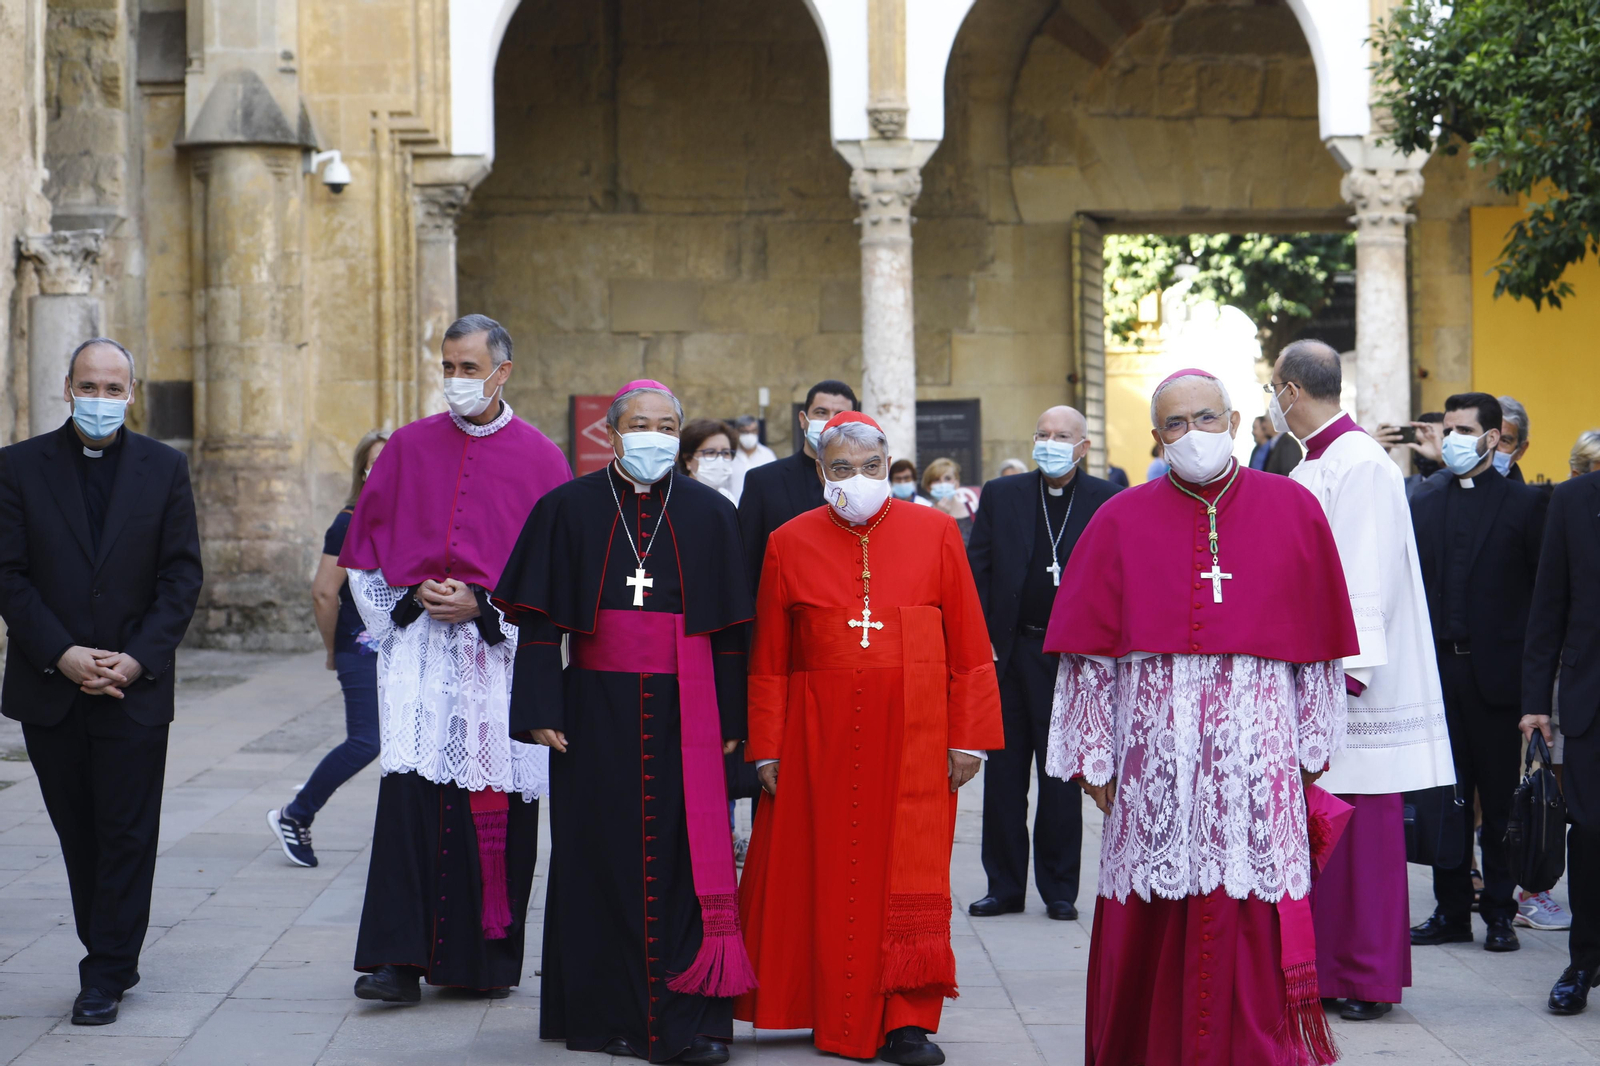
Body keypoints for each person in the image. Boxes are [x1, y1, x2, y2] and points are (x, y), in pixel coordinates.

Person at [1045, 368, 1356, 1066]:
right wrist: (1095, 758)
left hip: (1257, 760)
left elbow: (1319, 652)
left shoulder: (1293, 508)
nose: (1193, 435)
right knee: (1152, 919)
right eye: (1176, 425)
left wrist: (1308, 746)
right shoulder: (1119, 517)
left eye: (1206, 419)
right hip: (1155, 770)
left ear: (1237, 421)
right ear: (1157, 437)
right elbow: (1088, 657)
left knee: (1251, 923)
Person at [494, 380, 752, 1065]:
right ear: (610, 432)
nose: (655, 435)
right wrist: (541, 707)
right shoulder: (566, 508)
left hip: (688, 708)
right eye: (641, 423)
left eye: (668, 425)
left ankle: (689, 1017)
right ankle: (603, 1012)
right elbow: (542, 621)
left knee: (683, 855)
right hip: (593, 708)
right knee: (595, 853)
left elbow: (730, 631)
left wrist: (733, 715)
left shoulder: (709, 513)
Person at [736, 411, 1003, 1066]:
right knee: (823, 874)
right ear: (821, 471)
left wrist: (968, 737)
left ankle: (906, 1019)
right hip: (816, 738)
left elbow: (969, 645)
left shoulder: (937, 532)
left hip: (913, 736)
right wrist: (766, 746)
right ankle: (819, 1004)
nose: (859, 479)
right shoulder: (787, 541)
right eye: (843, 468)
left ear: (889, 467)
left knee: (906, 878)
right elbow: (769, 655)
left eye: (871, 467)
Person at [338, 314, 570, 1002]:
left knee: (489, 800)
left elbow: (556, 574)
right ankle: (395, 961)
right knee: (412, 796)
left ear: (502, 372)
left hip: (500, 662)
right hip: (424, 656)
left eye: (469, 368)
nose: (456, 381)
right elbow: (365, 557)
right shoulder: (408, 448)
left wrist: (486, 606)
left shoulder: (541, 459)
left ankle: (481, 961)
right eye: (448, 367)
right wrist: (410, 600)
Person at [0, 337, 203, 1025]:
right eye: (89, 386)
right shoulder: (18, 467)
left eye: (113, 389)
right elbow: (9, 574)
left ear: (131, 394)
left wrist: (138, 657)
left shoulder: (164, 469)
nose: (100, 400)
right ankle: (107, 945)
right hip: (51, 686)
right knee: (78, 831)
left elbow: (181, 575)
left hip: (133, 686)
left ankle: (106, 970)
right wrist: (62, 653)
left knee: (126, 830)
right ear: (67, 388)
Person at [1271, 341, 1455, 1021]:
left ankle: (1368, 977)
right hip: (1312, 671)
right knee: (1325, 841)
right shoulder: (1315, 460)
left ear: (1291, 390)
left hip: (1349, 683)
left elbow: (1360, 578)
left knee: (1364, 841)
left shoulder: (1360, 463)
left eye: (1272, 388)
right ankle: (1323, 971)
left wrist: (1343, 677)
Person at [966, 405, 1120, 923]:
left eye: (1062, 436)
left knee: (1061, 780)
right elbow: (978, 571)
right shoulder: (1002, 494)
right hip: (1009, 656)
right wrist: (980, 644)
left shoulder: (1106, 500)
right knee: (1005, 778)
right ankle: (1004, 886)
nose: (1050, 442)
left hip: (1071, 661)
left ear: (1083, 446)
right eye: (1043, 434)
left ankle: (1059, 889)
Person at [1408, 392, 1548, 955]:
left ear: (1493, 438)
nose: (1454, 440)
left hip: (1497, 679)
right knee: (1447, 800)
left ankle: (1498, 911)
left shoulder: (1525, 506)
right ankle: (1448, 910)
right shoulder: (1424, 499)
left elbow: (1541, 600)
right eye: (1448, 429)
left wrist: (1536, 690)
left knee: (1499, 800)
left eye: (1465, 430)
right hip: (1439, 673)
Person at [267, 429, 389, 867]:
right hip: (360, 651)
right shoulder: (349, 522)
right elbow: (323, 593)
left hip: (396, 651)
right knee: (365, 742)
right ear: (362, 471)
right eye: (375, 462)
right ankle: (295, 814)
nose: (383, 470)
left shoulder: (400, 521)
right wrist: (333, 650)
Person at [1521, 466, 1600, 1014]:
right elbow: (1548, 603)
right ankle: (1583, 962)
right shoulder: (1573, 500)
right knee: (1591, 833)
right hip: (1590, 696)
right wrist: (1534, 704)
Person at [739, 380, 857, 592]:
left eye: (839, 415)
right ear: (803, 420)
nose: (829, 422)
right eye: (821, 412)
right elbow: (747, 560)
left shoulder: (862, 483)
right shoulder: (763, 482)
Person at [679, 418, 739, 503]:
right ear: (688, 459)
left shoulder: (728, 498)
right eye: (710, 452)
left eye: (725, 453)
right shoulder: (678, 498)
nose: (720, 459)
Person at [922, 457, 975, 545]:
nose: (943, 484)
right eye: (936, 480)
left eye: (947, 478)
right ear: (928, 487)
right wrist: (938, 518)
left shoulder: (973, 509)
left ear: (956, 483)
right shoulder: (924, 515)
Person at [730, 414, 775, 503]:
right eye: (744, 432)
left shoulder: (768, 455)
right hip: (732, 509)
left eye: (753, 431)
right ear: (736, 432)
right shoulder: (729, 456)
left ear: (758, 431)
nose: (749, 435)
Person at [1497, 395, 1530, 482]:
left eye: (1504, 441)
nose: (1493, 446)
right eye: (1490, 437)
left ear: (1521, 450)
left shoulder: (1526, 495)